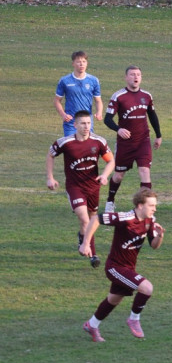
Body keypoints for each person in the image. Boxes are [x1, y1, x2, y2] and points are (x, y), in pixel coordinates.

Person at [79, 188, 164, 341]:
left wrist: (160, 236)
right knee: (147, 288)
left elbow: (154, 245)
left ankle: (92, 325)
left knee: (114, 299)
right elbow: (96, 219)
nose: (154, 208)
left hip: (128, 268)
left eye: (155, 205)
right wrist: (86, 243)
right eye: (151, 205)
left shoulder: (150, 221)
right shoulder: (125, 218)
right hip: (115, 267)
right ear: (140, 205)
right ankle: (134, 319)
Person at [46, 110, 115, 268]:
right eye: (83, 123)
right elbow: (50, 155)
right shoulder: (65, 142)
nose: (86, 126)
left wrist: (104, 175)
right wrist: (50, 177)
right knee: (86, 220)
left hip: (93, 187)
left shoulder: (99, 142)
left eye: (89, 123)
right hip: (75, 187)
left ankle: (82, 238)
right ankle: (93, 254)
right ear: (75, 124)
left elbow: (111, 161)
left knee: (91, 220)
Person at [103, 65, 161, 213]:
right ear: (126, 77)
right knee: (118, 176)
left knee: (144, 171)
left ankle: (146, 208)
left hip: (143, 141)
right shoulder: (118, 97)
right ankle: (110, 201)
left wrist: (158, 135)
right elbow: (107, 119)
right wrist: (119, 129)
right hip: (125, 144)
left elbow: (152, 116)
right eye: (132, 74)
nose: (135, 77)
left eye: (138, 75)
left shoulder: (146, 96)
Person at [54, 50, 102, 136]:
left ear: (87, 63)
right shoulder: (65, 80)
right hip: (71, 121)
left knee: (87, 147)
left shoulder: (94, 80)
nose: (81, 64)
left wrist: (99, 112)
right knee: (71, 147)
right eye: (78, 62)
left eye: (84, 61)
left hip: (87, 121)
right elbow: (57, 100)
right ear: (73, 63)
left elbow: (98, 100)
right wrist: (63, 115)